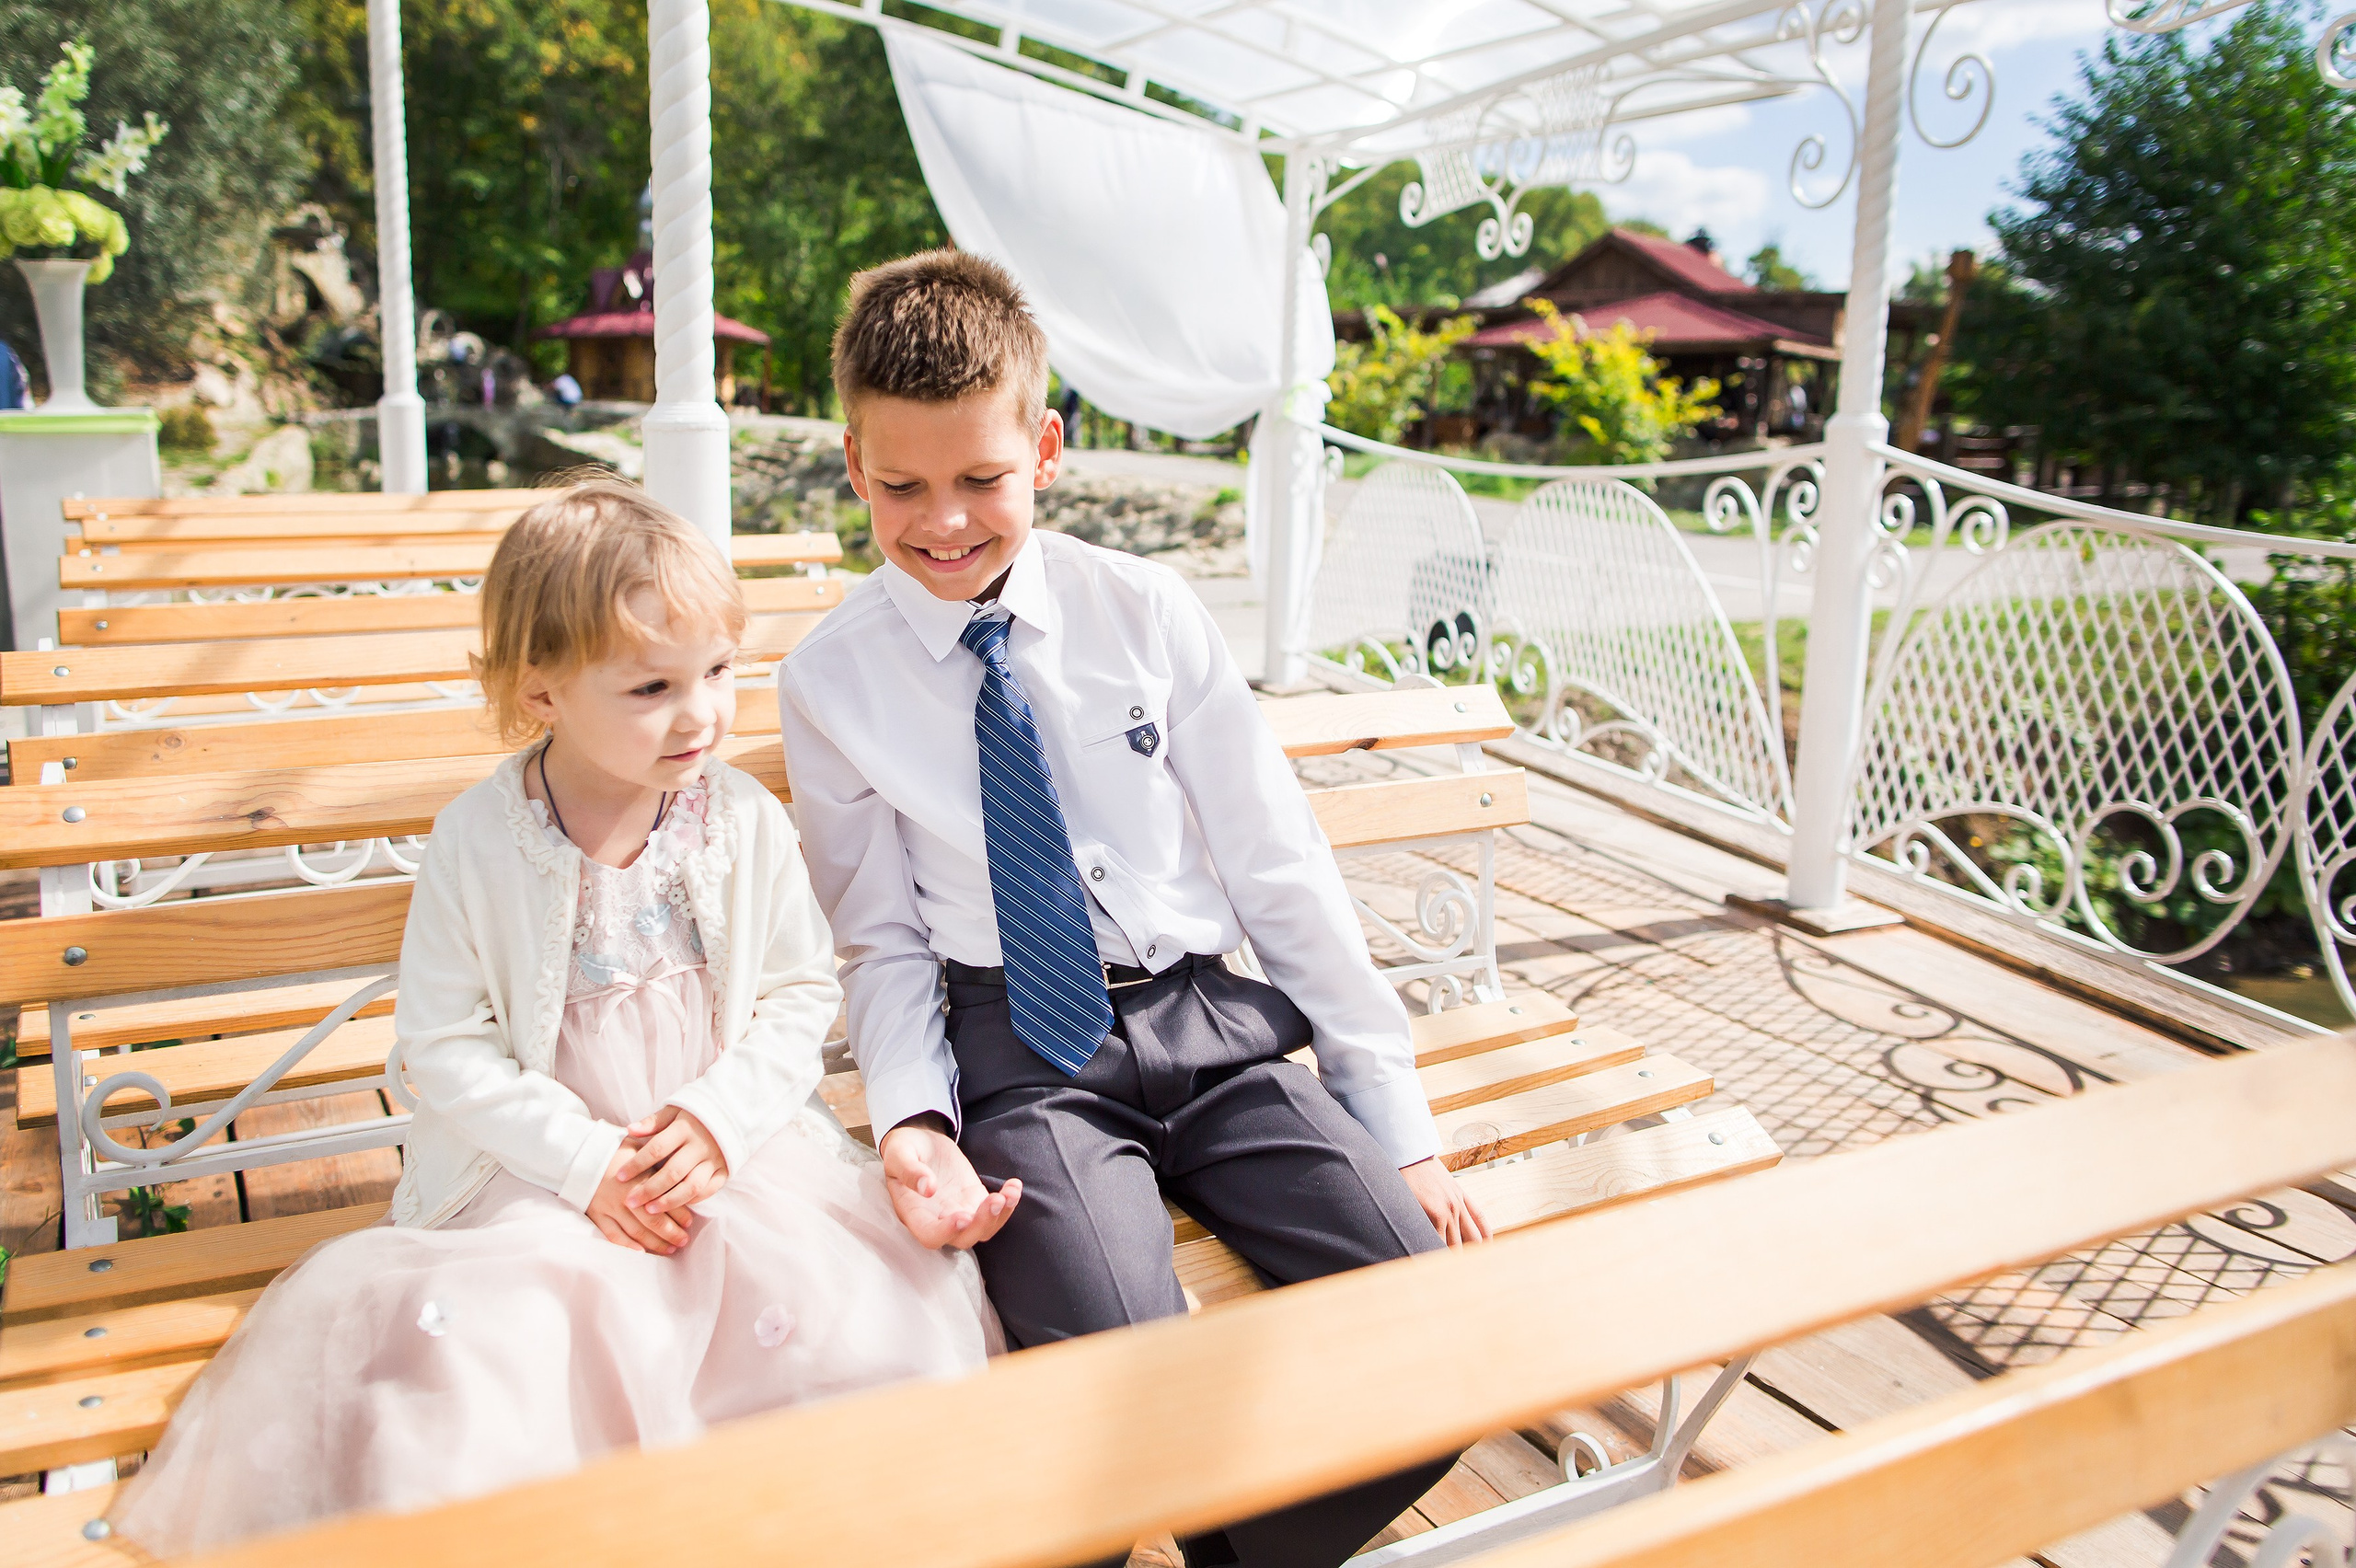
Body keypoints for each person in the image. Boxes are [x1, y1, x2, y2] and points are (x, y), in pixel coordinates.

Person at [110, 479, 999, 1555]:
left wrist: (718, 1119)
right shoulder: (482, 842)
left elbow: (798, 989)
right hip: (542, 1183)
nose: (701, 713)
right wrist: (587, 1168)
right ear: (542, 695)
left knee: (857, 1329)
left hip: (726, 1160)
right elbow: (441, 1045)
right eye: (650, 687)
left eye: (717, 671)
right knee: (496, 1361)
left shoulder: (740, 820)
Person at [777, 250, 1488, 1568]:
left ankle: (1221, 1551)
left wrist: (1399, 1122)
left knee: (1437, 1330)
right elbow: (878, 939)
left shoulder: (1145, 610)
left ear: (1044, 449)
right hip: (1024, 1057)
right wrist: (916, 1121)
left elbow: (1279, 865)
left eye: (981, 479)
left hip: (1213, 1024)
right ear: (853, 463)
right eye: (902, 486)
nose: (944, 521)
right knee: (1116, 1365)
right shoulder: (832, 682)